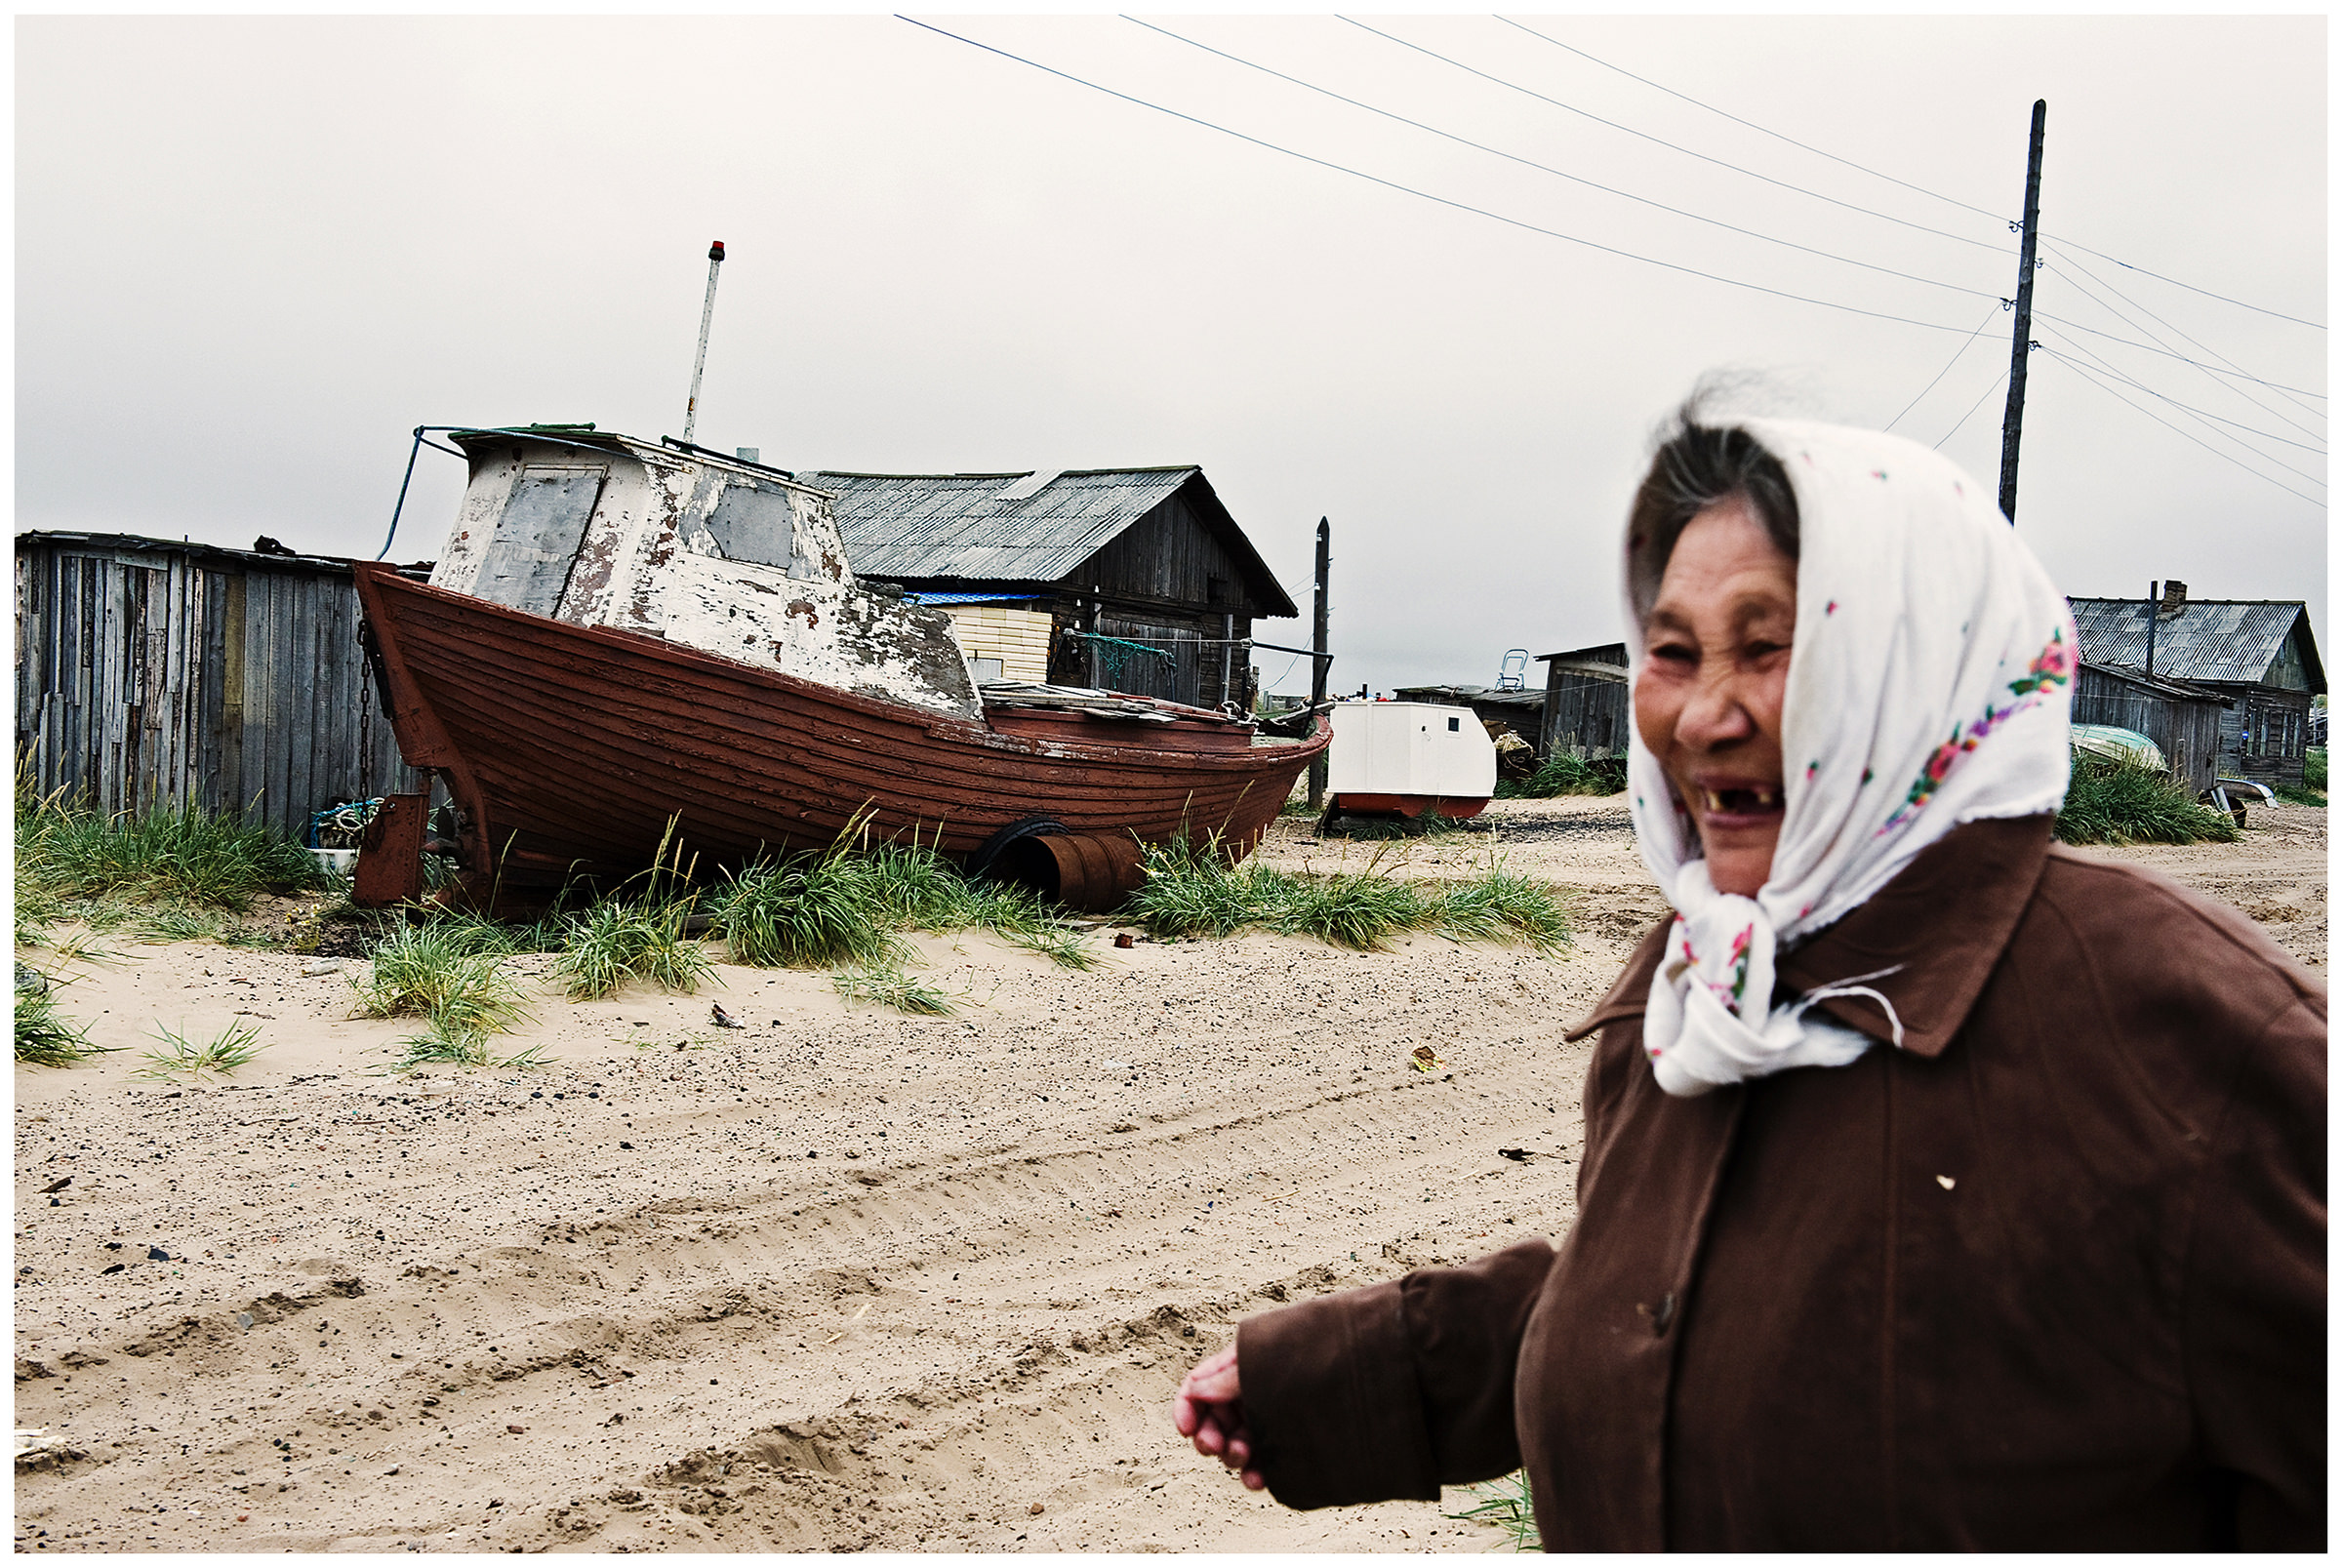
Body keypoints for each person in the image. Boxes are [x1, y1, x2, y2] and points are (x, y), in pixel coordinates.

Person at [1169, 407, 2325, 1550]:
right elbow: (1684, 1297)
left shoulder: (2204, 1050)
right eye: (1673, 652)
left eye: (1770, 647)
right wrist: (1351, 1380)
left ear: (1919, 668)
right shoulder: (1702, 980)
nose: (1704, 715)